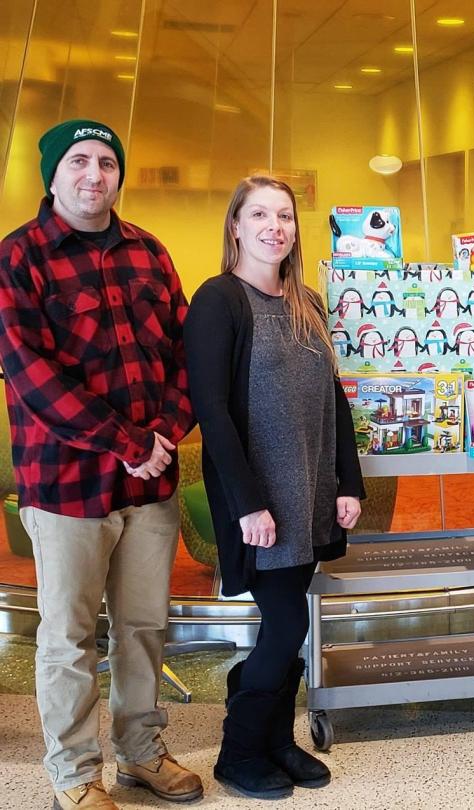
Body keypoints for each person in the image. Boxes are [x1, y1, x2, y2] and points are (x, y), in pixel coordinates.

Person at [0, 119, 202, 809]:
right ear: (52, 175)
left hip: (151, 483)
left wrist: (166, 434)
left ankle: (141, 753)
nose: (94, 175)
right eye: (79, 161)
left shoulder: (149, 251)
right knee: (68, 637)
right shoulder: (18, 257)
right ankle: (75, 774)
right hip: (65, 488)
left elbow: (186, 355)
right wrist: (129, 443)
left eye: (107, 163)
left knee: (145, 627)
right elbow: (31, 375)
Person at [185, 175, 364, 800]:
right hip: (259, 500)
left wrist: (348, 480)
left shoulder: (306, 301)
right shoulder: (218, 300)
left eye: (284, 216)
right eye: (258, 214)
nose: (273, 227)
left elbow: (333, 399)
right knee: (287, 624)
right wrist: (248, 503)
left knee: (289, 623)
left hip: (310, 492)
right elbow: (213, 410)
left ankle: (276, 742)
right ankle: (240, 752)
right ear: (235, 224)